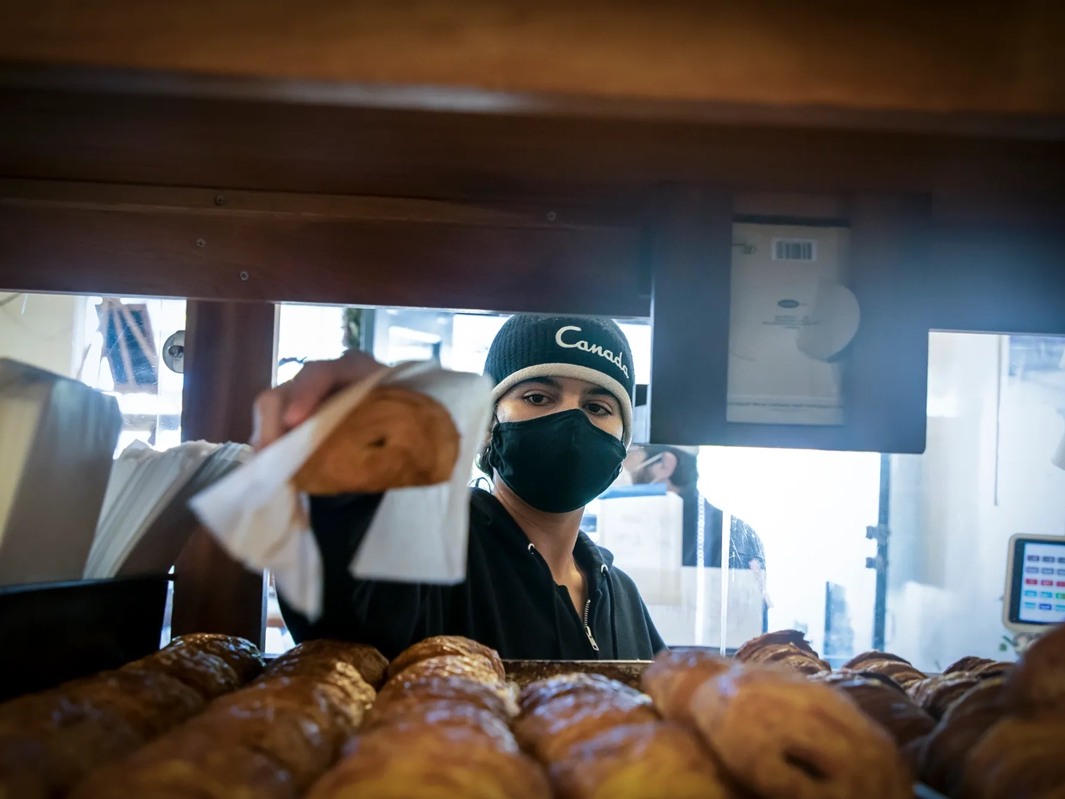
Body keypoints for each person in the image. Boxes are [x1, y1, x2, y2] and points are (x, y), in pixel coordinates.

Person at [254, 314, 666, 660]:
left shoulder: (620, 594)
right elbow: (342, 605)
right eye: (538, 397)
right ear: (489, 427)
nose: (572, 425)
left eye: (598, 407)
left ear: (622, 444)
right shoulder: (429, 553)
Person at [624, 444, 769, 631]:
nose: (622, 464)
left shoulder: (731, 535)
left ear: (665, 465)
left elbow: (744, 631)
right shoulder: (631, 527)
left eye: (631, 452)